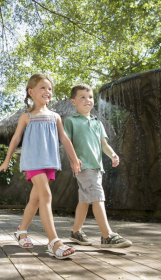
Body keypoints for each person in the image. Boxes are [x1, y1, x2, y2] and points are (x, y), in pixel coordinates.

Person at [0, 74, 81, 259]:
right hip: (32, 161)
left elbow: (64, 139)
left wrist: (74, 159)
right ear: (31, 92)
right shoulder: (27, 116)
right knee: (46, 195)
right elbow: (16, 138)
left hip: (49, 162)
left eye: (50, 89)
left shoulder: (55, 116)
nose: (47, 91)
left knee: (35, 199)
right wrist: (6, 160)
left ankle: (21, 231)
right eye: (43, 88)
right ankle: (54, 242)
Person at [65, 83, 132, 248]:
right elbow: (67, 143)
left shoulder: (97, 122)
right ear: (73, 102)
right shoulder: (71, 121)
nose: (87, 100)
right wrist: (73, 161)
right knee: (97, 197)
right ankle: (107, 235)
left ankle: (76, 232)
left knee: (84, 200)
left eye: (90, 97)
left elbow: (104, 145)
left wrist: (113, 154)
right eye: (82, 97)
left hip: (96, 167)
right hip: (83, 166)